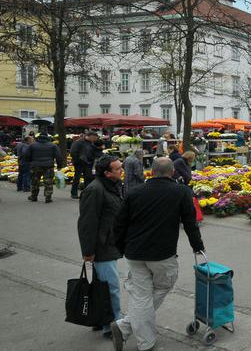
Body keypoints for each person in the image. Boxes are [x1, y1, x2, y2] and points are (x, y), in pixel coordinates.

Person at [111, 157, 204, 351]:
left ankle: (133, 331)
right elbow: (190, 222)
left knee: (142, 296)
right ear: (172, 173)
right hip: (162, 254)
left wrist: (120, 248)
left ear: (151, 172)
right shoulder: (180, 192)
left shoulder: (134, 192)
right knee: (162, 286)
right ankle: (133, 333)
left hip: (134, 253)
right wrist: (197, 246)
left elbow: (119, 223)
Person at [78, 155, 124, 338]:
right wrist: (88, 252)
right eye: (118, 168)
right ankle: (113, 326)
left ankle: (100, 320)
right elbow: (87, 223)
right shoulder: (95, 190)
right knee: (110, 288)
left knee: (100, 287)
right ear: (107, 173)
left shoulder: (111, 186)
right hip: (101, 247)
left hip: (109, 243)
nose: (122, 171)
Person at [25, 133, 64, 203]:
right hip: (48, 166)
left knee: (35, 182)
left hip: (35, 166)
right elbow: (58, 156)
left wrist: (31, 162)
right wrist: (59, 166)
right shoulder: (53, 145)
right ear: (47, 137)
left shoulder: (32, 145)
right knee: (48, 182)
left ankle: (34, 196)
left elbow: (26, 155)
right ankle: (48, 197)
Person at [70, 131, 99, 199]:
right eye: (94, 138)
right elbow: (73, 152)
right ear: (90, 136)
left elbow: (93, 151)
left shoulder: (91, 142)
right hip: (79, 163)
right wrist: (78, 159)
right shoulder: (78, 142)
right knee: (77, 178)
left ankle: (86, 194)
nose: (95, 139)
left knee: (88, 179)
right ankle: (74, 193)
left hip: (88, 163)